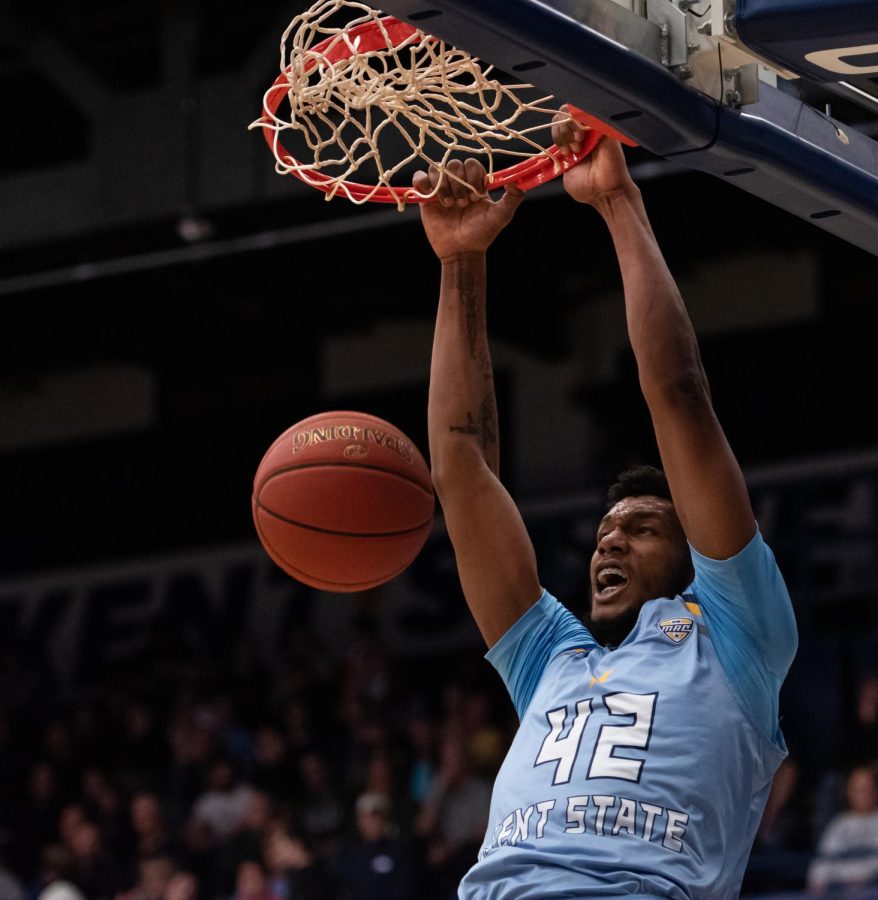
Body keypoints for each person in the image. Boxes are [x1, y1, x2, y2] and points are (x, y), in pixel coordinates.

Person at [413, 110, 799, 899]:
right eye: (604, 532)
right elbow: (460, 467)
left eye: (642, 528)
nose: (609, 545)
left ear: (696, 555)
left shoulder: (735, 635)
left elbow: (680, 397)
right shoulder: (553, 658)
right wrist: (461, 262)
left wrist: (619, 202)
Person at [806, 763, 878, 897]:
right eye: (856, 789)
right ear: (848, 791)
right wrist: (817, 882)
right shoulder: (839, 824)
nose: (862, 794)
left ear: (875, 790)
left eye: (866, 788)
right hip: (838, 890)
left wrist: (860, 879)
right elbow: (821, 863)